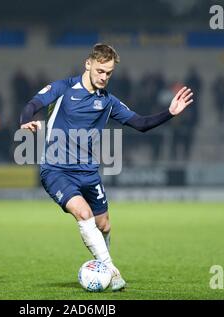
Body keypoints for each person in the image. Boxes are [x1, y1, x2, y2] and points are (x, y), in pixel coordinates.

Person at [20, 43, 193, 291]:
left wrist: (170, 113)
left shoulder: (108, 101)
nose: (104, 77)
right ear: (88, 64)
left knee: (104, 226)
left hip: (89, 173)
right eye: (100, 70)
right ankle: (111, 271)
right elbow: (31, 105)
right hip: (56, 170)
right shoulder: (64, 88)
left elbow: (141, 124)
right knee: (83, 214)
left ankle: (102, 264)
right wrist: (26, 121)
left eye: (109, 73)